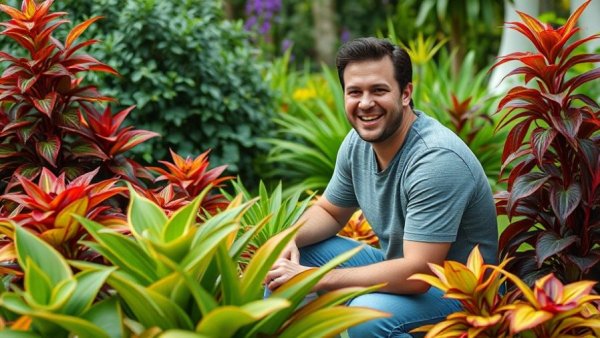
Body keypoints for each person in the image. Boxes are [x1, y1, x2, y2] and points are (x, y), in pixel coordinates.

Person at [265, 37, 498, 338]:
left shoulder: (436, 160)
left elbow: (418, 274)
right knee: (289, 259)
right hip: (404, 268)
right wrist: (288, 238)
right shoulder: (357, 144)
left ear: (405, 93)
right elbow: (330, 211)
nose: (365, 103)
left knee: (368, 315)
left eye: (378, 90)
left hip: (462, 293)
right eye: (355, 92)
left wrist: (317, 278)